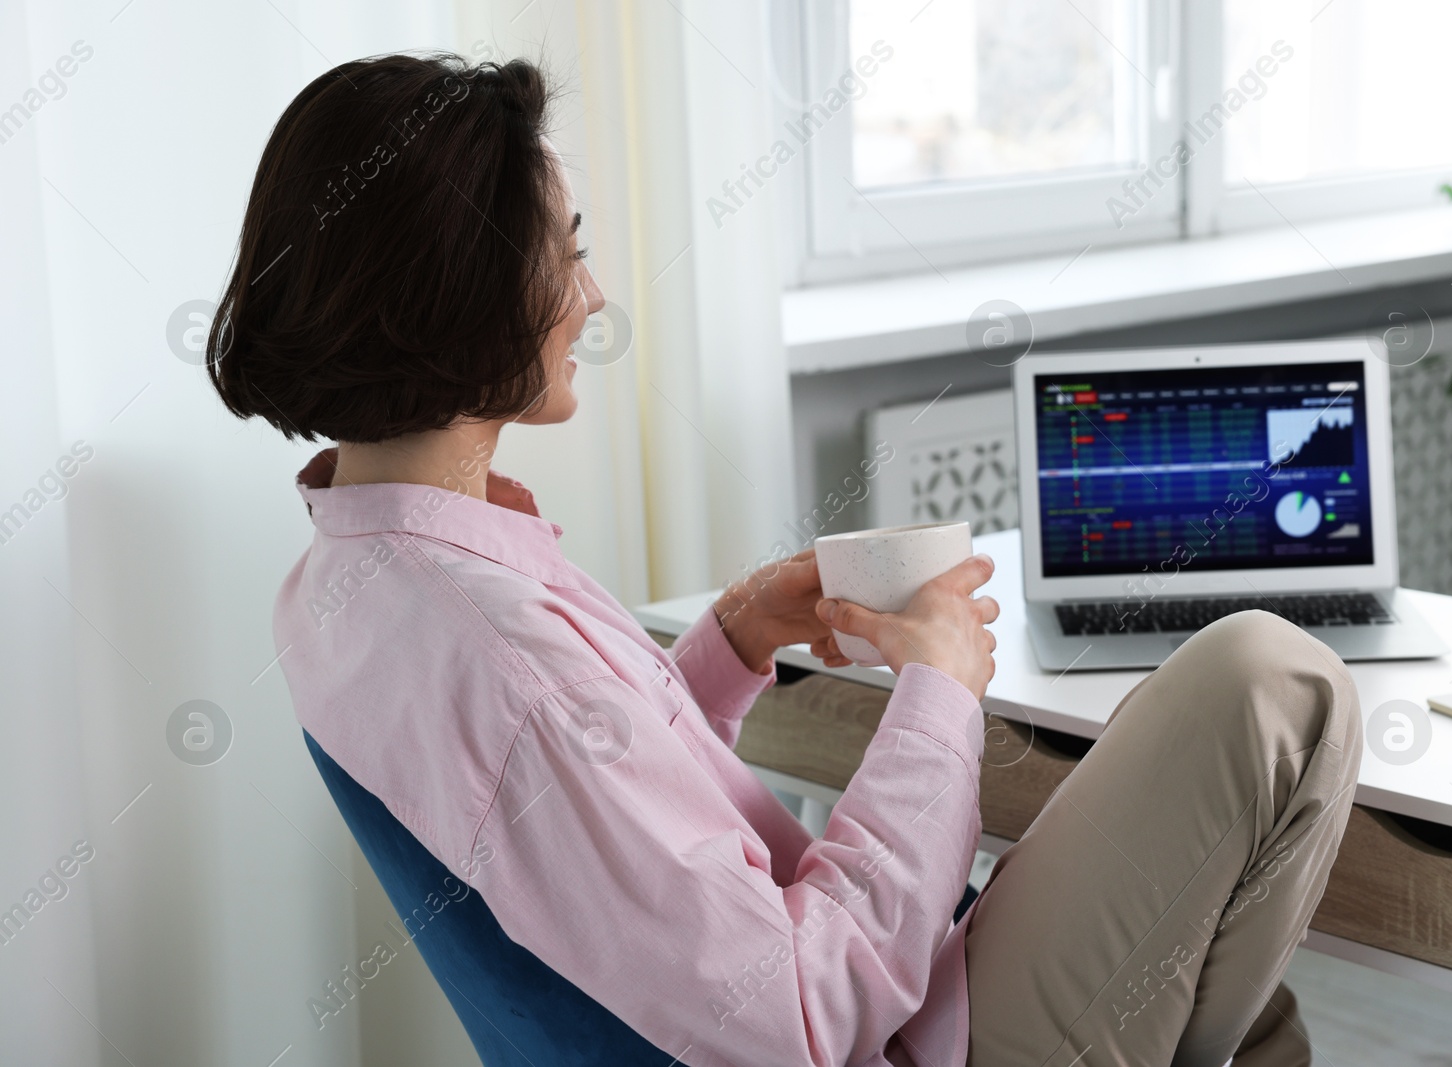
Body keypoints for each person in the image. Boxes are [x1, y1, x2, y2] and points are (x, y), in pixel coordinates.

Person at [207, 52, 1361, 1067]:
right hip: (886, 1032)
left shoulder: (350, 583)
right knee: (1273, 679)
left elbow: (612, 859)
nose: (593, 295)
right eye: (568, 253)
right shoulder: (500, 649)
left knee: (1233, 985)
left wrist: (732, 638)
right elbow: (804, 1012)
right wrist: (937, 696)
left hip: (858, 996)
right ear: (455, 298)